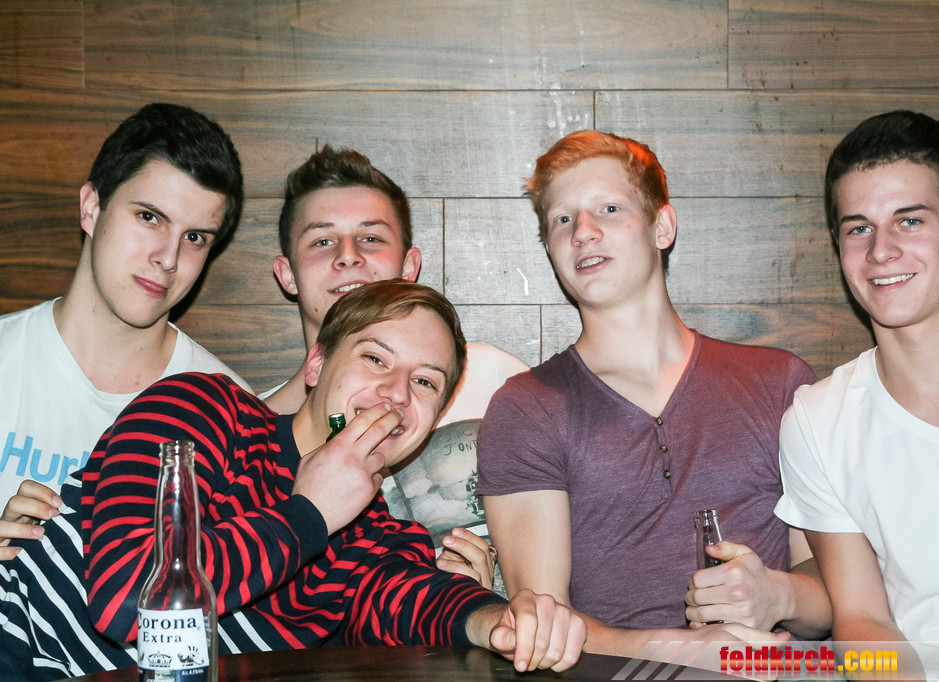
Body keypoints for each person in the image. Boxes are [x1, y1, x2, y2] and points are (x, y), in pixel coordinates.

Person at [0, 280, 585, 681]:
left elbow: (410, 598)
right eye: (375, 358)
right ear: (316, 364)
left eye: (425, 382)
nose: (395, 393)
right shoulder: (204, 408)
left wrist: (497, 620)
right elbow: (131, 600)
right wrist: (311, 512)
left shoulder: (379, 539)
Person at [475, 130, 832, 658]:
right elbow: (544, 627)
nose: (583, 232)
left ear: (661, 227)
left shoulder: (778, 382)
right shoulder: (527, 407)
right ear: (550, 248)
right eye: (562, 220)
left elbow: (840, 597)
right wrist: (682, 650)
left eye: (609, 208)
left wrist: (779, 595)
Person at [774, 111, 939, 675]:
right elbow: (863, 619)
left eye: (909, 221)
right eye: (858, 228)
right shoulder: (817, 420)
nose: (881, 251)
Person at [263, 145, 526, 586]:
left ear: (408, 267)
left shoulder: (495, 381)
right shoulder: (250, 433)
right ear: (287, 274)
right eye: (322, 241)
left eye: (371, 238)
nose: (348, 256)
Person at [0, 103, 250, 532]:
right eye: (150, 217)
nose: (168, 258)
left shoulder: (229, 413)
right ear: (91, 207)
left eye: (194, 237)